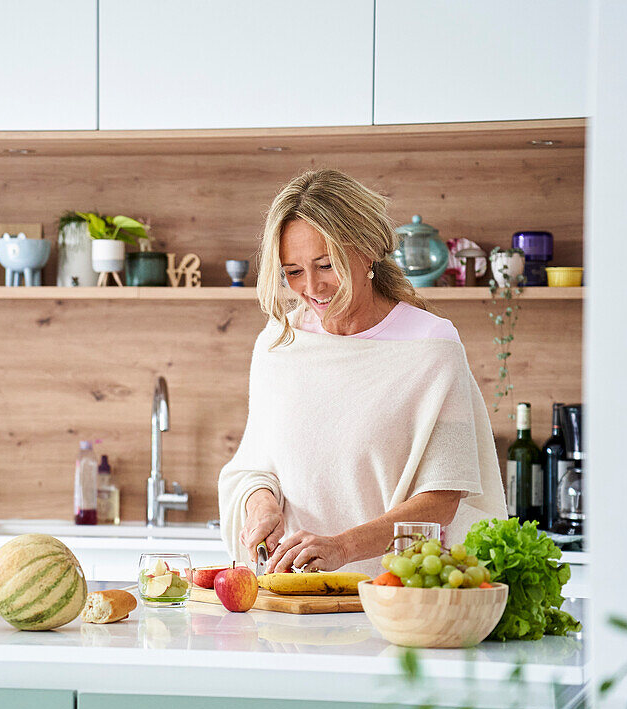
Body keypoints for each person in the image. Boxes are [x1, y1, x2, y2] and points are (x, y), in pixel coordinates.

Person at [217, 169, 507, 576]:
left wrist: (342, 547)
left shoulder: (432, 346)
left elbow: (442, 499)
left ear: (368, 249)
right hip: (295, 597)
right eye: (294, 272)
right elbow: (255, 465)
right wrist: (261, 504)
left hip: (395, 597)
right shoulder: (279, 344)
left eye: (326, 264)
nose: (313, 287)